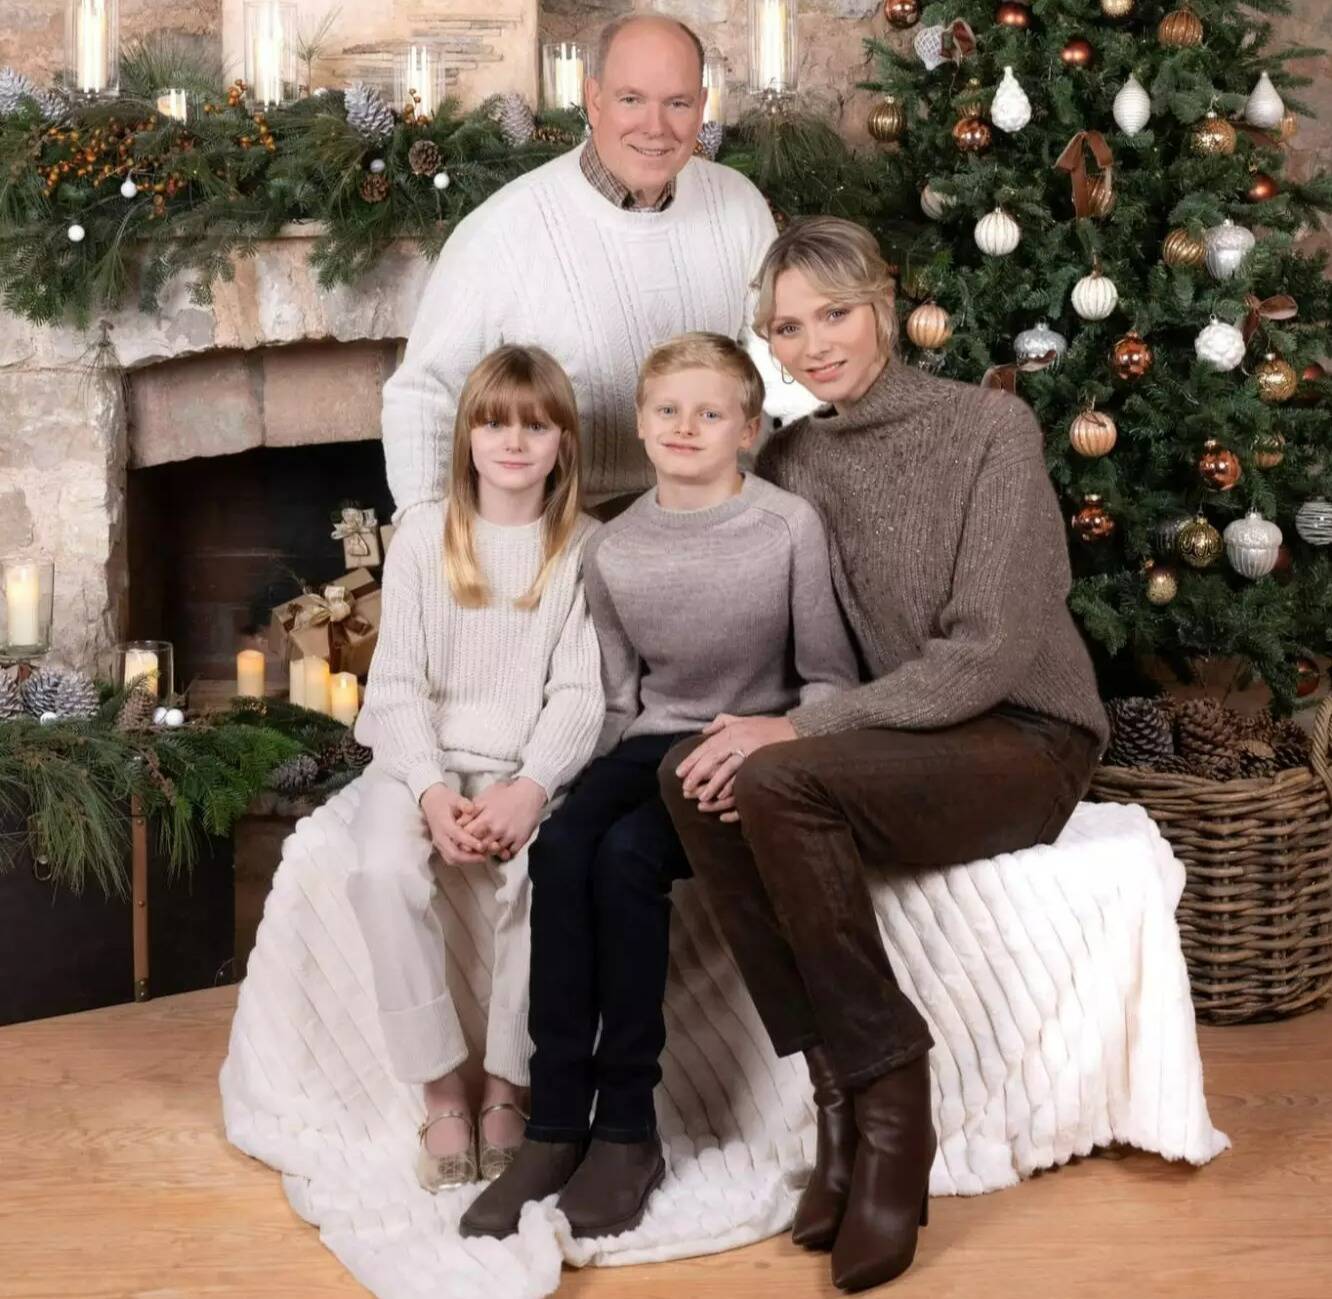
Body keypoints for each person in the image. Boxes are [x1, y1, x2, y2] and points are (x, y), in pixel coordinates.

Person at [659, 219, 1110, 1293]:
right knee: (695, 774)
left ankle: (892, 1093)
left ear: (884, 301)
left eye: (834, 314)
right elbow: (745, 592)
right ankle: (835, 1092)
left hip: (1022, 735)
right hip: (897, 737)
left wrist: (804, 728)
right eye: (786, 329)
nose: (814, 345)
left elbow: (991, 652)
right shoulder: (795, 456)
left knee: (778, 769)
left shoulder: (991, 428)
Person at [460, 332, 858, 1240]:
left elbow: (830, 677)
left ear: (748, 429)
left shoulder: (786, 527)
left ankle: (629, 1129)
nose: (687, 426)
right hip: (646, 744)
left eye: (710, 412)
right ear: (639, 424)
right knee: (565, 846)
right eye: (668, 410)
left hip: (746, 746)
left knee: (631, 858)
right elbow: (612, 699)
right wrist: (550, 784)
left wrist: (775, 744)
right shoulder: (616, 547)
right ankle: (556, 1122)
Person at [346, 345, 603, 1192]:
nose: (514, 441)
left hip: (527, 767)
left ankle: (506, 1085)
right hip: (416, 762)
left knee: (551, 875)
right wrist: (427, 788)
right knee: (383, 867)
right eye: (494, 422)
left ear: (564, 440)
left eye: (536, 424)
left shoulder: (584, 548)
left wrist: (529, 789)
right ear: (467, 437)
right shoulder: (425, 533)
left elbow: (579, 692)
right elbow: (396, 682)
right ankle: (440, 1087)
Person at [379, 14, 802, 521]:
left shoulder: (738, 203)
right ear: (594, 99)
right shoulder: (502, 229)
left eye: (677, 103)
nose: (656, 127)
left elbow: (781, 363)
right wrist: (425, 536)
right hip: (567, 531)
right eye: (631, 99)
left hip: (716, 510)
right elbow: (426, 392)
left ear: (702, 106)